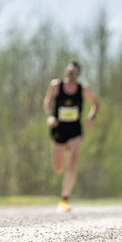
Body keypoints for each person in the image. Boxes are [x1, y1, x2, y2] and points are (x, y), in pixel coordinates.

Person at [42, 60, 100, 212]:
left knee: (72, 164)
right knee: (59, 168)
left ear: (79, 74)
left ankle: (64, 199)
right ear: (65, 72)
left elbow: (96, 103)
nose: (73, 76)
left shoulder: (84, 89)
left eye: (76, 73)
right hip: (58, 129)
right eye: (70, 72)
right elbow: (47, 101)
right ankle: (65, 149)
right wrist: (50, 116)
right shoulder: (56, 85)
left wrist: (91, 117)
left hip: (75, 131)